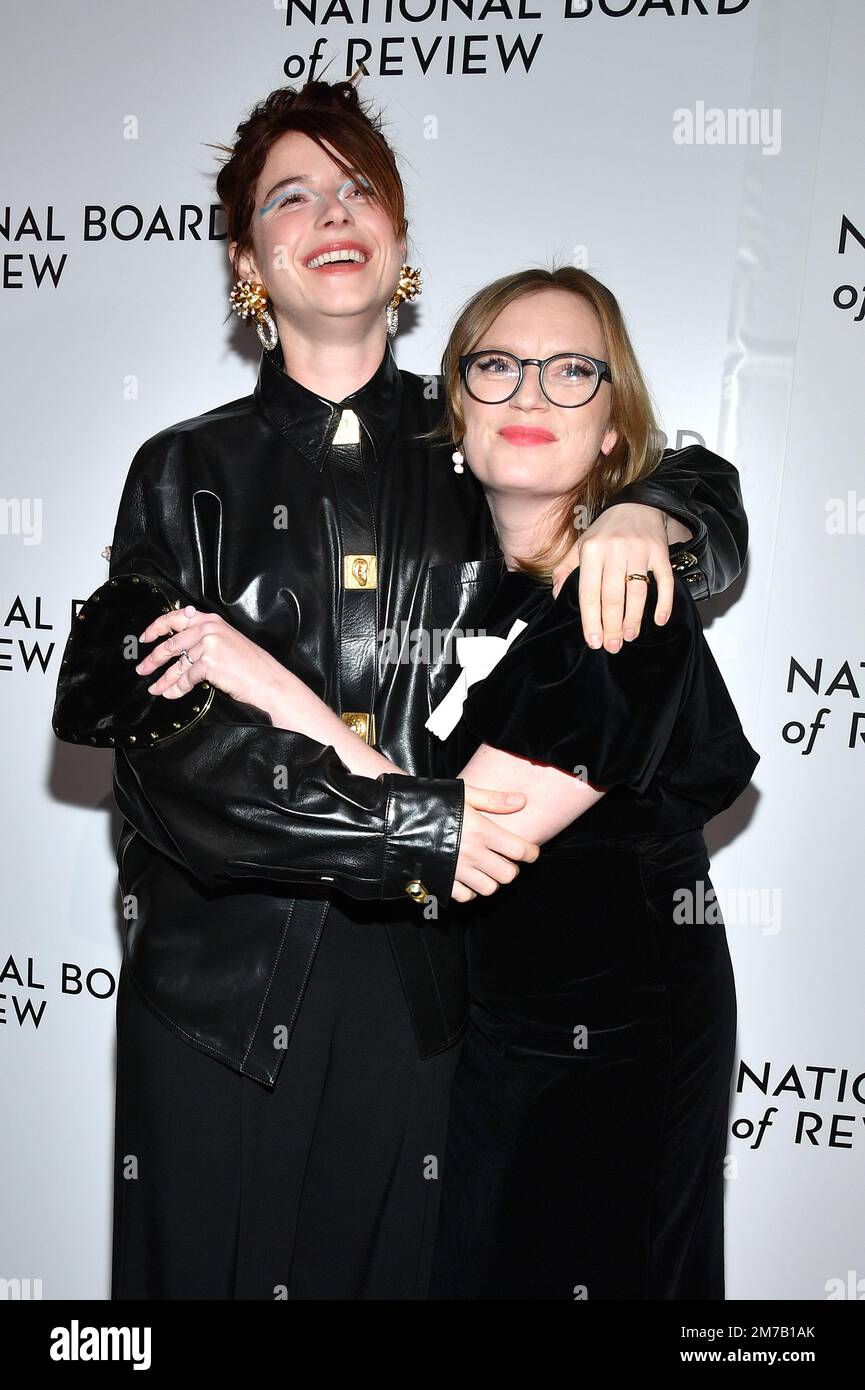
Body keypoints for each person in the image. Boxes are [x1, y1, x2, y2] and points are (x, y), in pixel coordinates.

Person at [52, 80, 748, 1300]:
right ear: (247, 258)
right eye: (291, 194)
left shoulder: (477, 434)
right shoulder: (179, 469)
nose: (332, 211)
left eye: (360, 185)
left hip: (429, 996)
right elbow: (145, 730)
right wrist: (417, 829)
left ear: (403, 242)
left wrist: (655, 508)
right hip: (218, 988)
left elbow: (657, 483)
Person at [419, 267, 760, 1299]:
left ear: (614, 429)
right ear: (456, 409)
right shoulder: (464, 595)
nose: (528, 394)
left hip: (609, 1055)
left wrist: (649, 513)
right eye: (497, 367)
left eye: (572, 372)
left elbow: (472, 832)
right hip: (494, 1046)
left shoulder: (624, 597)